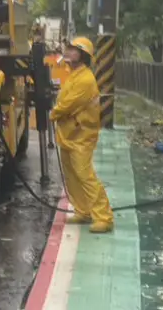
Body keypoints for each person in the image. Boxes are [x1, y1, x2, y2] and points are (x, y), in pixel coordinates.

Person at [51, 36, 113, 234]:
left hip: (82, 136)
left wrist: (53, 113)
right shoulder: (74, 75)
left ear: (83, 56)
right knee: (71, 176)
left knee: (85, 176)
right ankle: (83, 210)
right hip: (70, 134)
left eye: (74, 50)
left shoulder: (85, 79)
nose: (68, 52)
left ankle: (103, 217)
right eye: (68, 48)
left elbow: (68, 105)